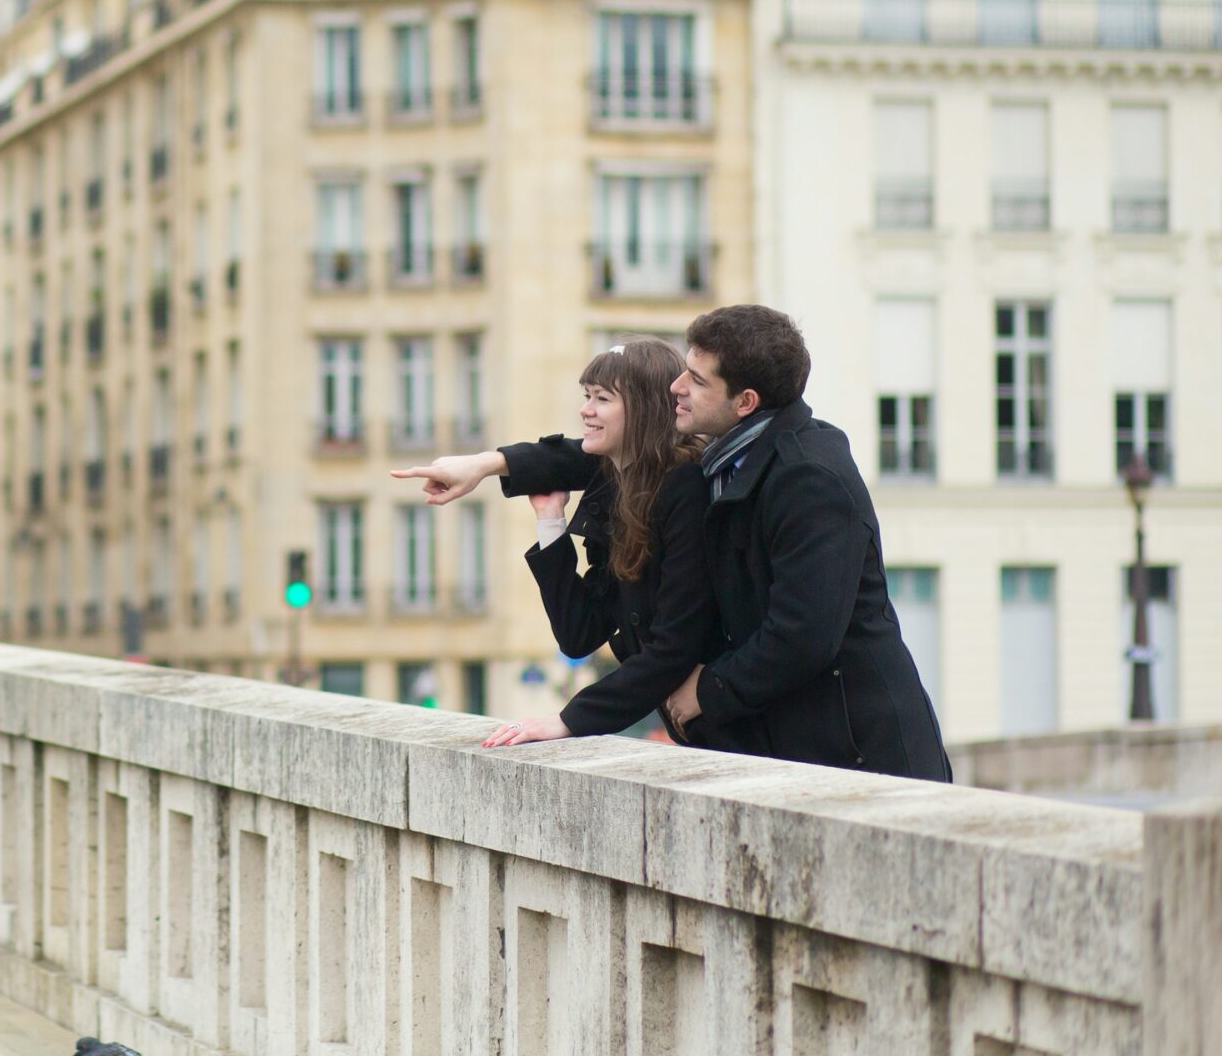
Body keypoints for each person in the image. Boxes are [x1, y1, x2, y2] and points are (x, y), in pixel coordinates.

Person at [658, 305, 949, 781]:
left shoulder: (808, 476)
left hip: (865, 756)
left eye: (696, 379)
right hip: (813, 746)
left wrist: (708, 691)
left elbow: (803, 633)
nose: (677, 386)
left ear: (746, 402)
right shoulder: (728, 461)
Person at [394, 338, 718, 748]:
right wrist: (550, 520)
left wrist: (568, 721)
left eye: (602, 398)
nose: (586, 410)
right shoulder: (619, 488)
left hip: (738, 726)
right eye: (587, 396)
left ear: (643, 409)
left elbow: (675, 645)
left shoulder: (684, 489)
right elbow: (579, 635)